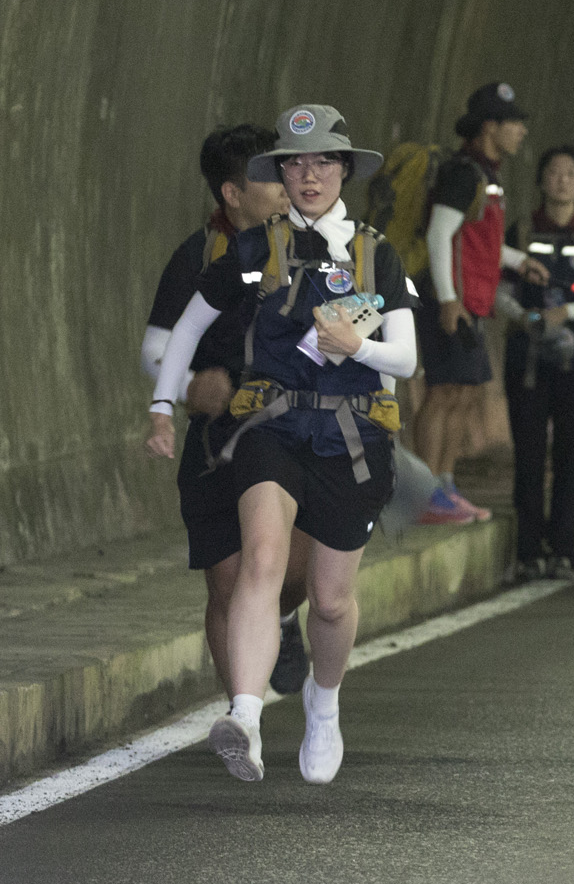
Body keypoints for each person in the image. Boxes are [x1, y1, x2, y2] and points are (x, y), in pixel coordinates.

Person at [149, 105, 417, 783]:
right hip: (269, 429)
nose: (309, 175)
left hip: (351, 436)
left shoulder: (375, 255)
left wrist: (358, 345)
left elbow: (407, 359)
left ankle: (323, 705)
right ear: (280, 174)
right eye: (294, 164)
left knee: (329, 600)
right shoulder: (251, 249)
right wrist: (162, 404)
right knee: (260, 560)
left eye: (323, 162)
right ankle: (246, 715)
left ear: (344, 171)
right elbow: (185, 328)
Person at [142, 123, 312, 697]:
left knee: (294, 571)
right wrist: (192, 385)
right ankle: (243, 710)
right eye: (269, 177)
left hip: (296, 428)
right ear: (232, 194)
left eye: (287, 171)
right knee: (227, 579)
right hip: (220, 434)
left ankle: (283, 615)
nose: (287, 187)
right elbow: (155, 347)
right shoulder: (199, 256)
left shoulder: (321, 246)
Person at [412, 82, 545, 524]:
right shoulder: (464, 173)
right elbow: (438, 235)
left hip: (473, 301)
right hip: (452, 301)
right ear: (490, 126)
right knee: (443, 392)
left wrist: (518, 261)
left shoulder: (488, 176)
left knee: (465, 392)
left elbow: (475, 241)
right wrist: (448, 300)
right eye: (514, 123)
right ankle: (425, 491)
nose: (521, 131)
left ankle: (444, 485)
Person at [502, 145, 574, 577]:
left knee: (573, 453)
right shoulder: (520, 231)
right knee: (529, 452)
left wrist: (566, 312)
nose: (563, 181)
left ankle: (563, 550)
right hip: (529, 358)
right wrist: (524, 318)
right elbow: (501, 293)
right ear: (541, 180)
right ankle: (528, 552)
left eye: (571, 173)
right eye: (554, 173)